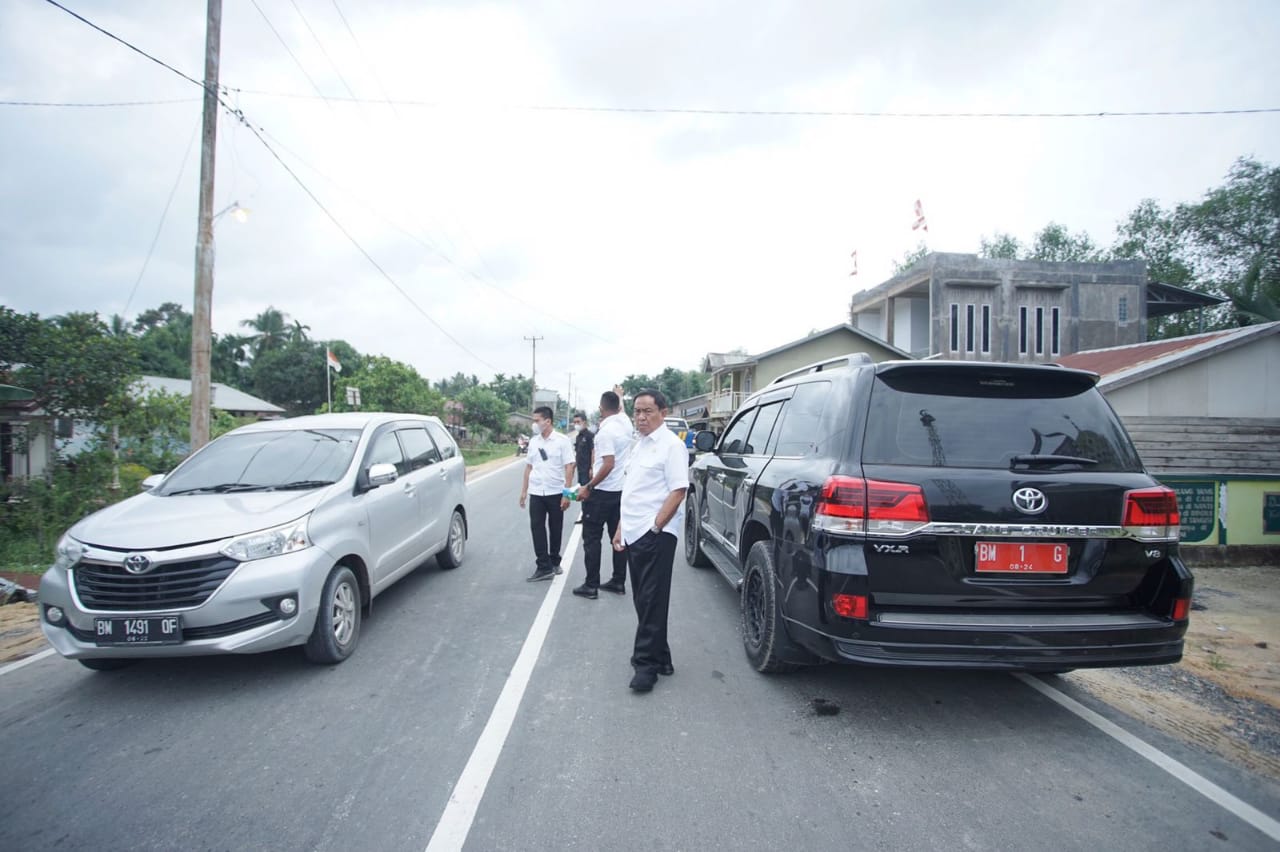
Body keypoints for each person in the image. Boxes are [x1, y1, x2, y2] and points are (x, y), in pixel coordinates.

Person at [611, 389, 688, 692]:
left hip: (655, 535)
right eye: (637, 412)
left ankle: (645, 666)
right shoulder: (639, 445)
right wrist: (620, 528)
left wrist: (656, 528)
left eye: (647, 411)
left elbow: (679, 490)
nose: (641, 417)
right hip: (633, 531)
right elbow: (631, 491)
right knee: (644, 599)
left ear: (663, 412)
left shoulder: (671, 446)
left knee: (651, 600)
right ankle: (662, 657)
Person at [572, 390, 633, 600]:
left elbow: (608, 463)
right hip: (620, 492)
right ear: (618, 407)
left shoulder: (606, 432)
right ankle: (618, 580)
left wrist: (588, 486)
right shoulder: (625, 424)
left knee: (592, 539)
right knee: (617, 538)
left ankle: (591, 585)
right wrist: (620, 395)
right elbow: (621, 409)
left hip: (601, 494)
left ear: (601, 408)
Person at [518, 406, 574, 582]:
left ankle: (554, 561)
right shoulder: (534, 442)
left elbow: (569, 467)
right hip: (536, 491)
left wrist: (567, 494)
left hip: (555, 491)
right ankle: (543, 566)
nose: (534, 424)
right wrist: (524, 490)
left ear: (547, 421)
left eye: (537, 420)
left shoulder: (562, 441)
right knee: (537, 527)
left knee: (555, 527)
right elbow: (529, 467)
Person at [571, 411, 594, 524]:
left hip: (587, 470)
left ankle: (589, 515)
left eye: (578, 422)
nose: (576, 424)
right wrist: (573, 466)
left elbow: (593, 452)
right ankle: (585, 515)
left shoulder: (590, 436)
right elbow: (578, 453)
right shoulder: (578, 437)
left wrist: (592, 468)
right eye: (574, 422)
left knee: (588, 493)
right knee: (582, 493)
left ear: (584, 422)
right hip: (581, 470)